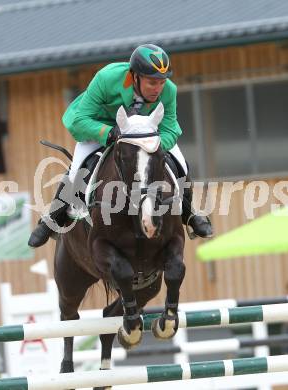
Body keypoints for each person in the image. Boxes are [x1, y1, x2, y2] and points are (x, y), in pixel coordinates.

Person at [28, 44, 213, 248]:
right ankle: (53, 218)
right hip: (100, 128)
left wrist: (153, 146)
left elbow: (171, 129)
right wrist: (108, 133)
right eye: (152, 82)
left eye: (162, 82)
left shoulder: (169, 90)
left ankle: (189, 214)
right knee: (77, 171)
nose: (158, 89)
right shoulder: (107, 78)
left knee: (181, 165)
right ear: (135, 76)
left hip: (146, 137)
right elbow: (80, 120)